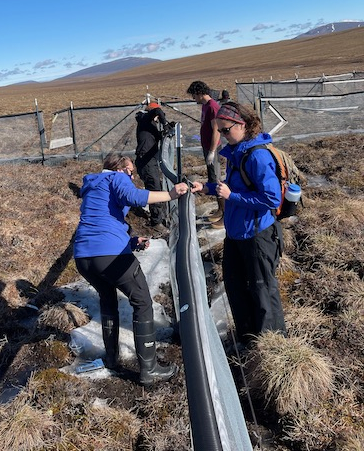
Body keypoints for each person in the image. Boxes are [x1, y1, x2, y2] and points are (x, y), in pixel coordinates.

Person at [73, 152, 188, 385]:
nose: (133, 177)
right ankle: (149, 368)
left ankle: (112, 359)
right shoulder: (116, 178)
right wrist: (171, 194)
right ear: (121, 169)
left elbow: (102, 223)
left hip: (83, 257)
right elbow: (133, 196)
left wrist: (131, 242)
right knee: (142, 302)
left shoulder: (93, 186)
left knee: (107, 298)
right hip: (110, 255)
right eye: (132, 172)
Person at [190, 102, 287, 348]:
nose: (221, 136)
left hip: (258, 235)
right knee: (235, 286)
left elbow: (271, 199)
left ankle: (271, 344)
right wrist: (206, 188)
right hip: (235, 234)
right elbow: (232, 187)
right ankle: (247, 338)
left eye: (225, 130)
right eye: (219, 131)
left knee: (262, 289)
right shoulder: (237, 153)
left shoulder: (257, 156)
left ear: (242, 125)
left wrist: (231, 196)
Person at [186, 81, 224, 227]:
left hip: (212, 149)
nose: (193, 98)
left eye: (194, 95)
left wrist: (212, 151)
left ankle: (225, 216)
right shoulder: (205, 106)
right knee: (213, 178)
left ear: (199, 93)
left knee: (216, 181)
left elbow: (216, 130)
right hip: (207, 147)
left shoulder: (213, 106)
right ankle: (220, 211)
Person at [135, 102, 171, 235]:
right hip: (146, 161)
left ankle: (159, 216)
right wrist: (164, 122)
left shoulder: (149, 124)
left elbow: (152, 139)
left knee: (156, 186)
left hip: (150, 160)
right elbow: (158, 111)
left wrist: (165, 130)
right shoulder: (145, 118)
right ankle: (156, 223)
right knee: (154, 189)